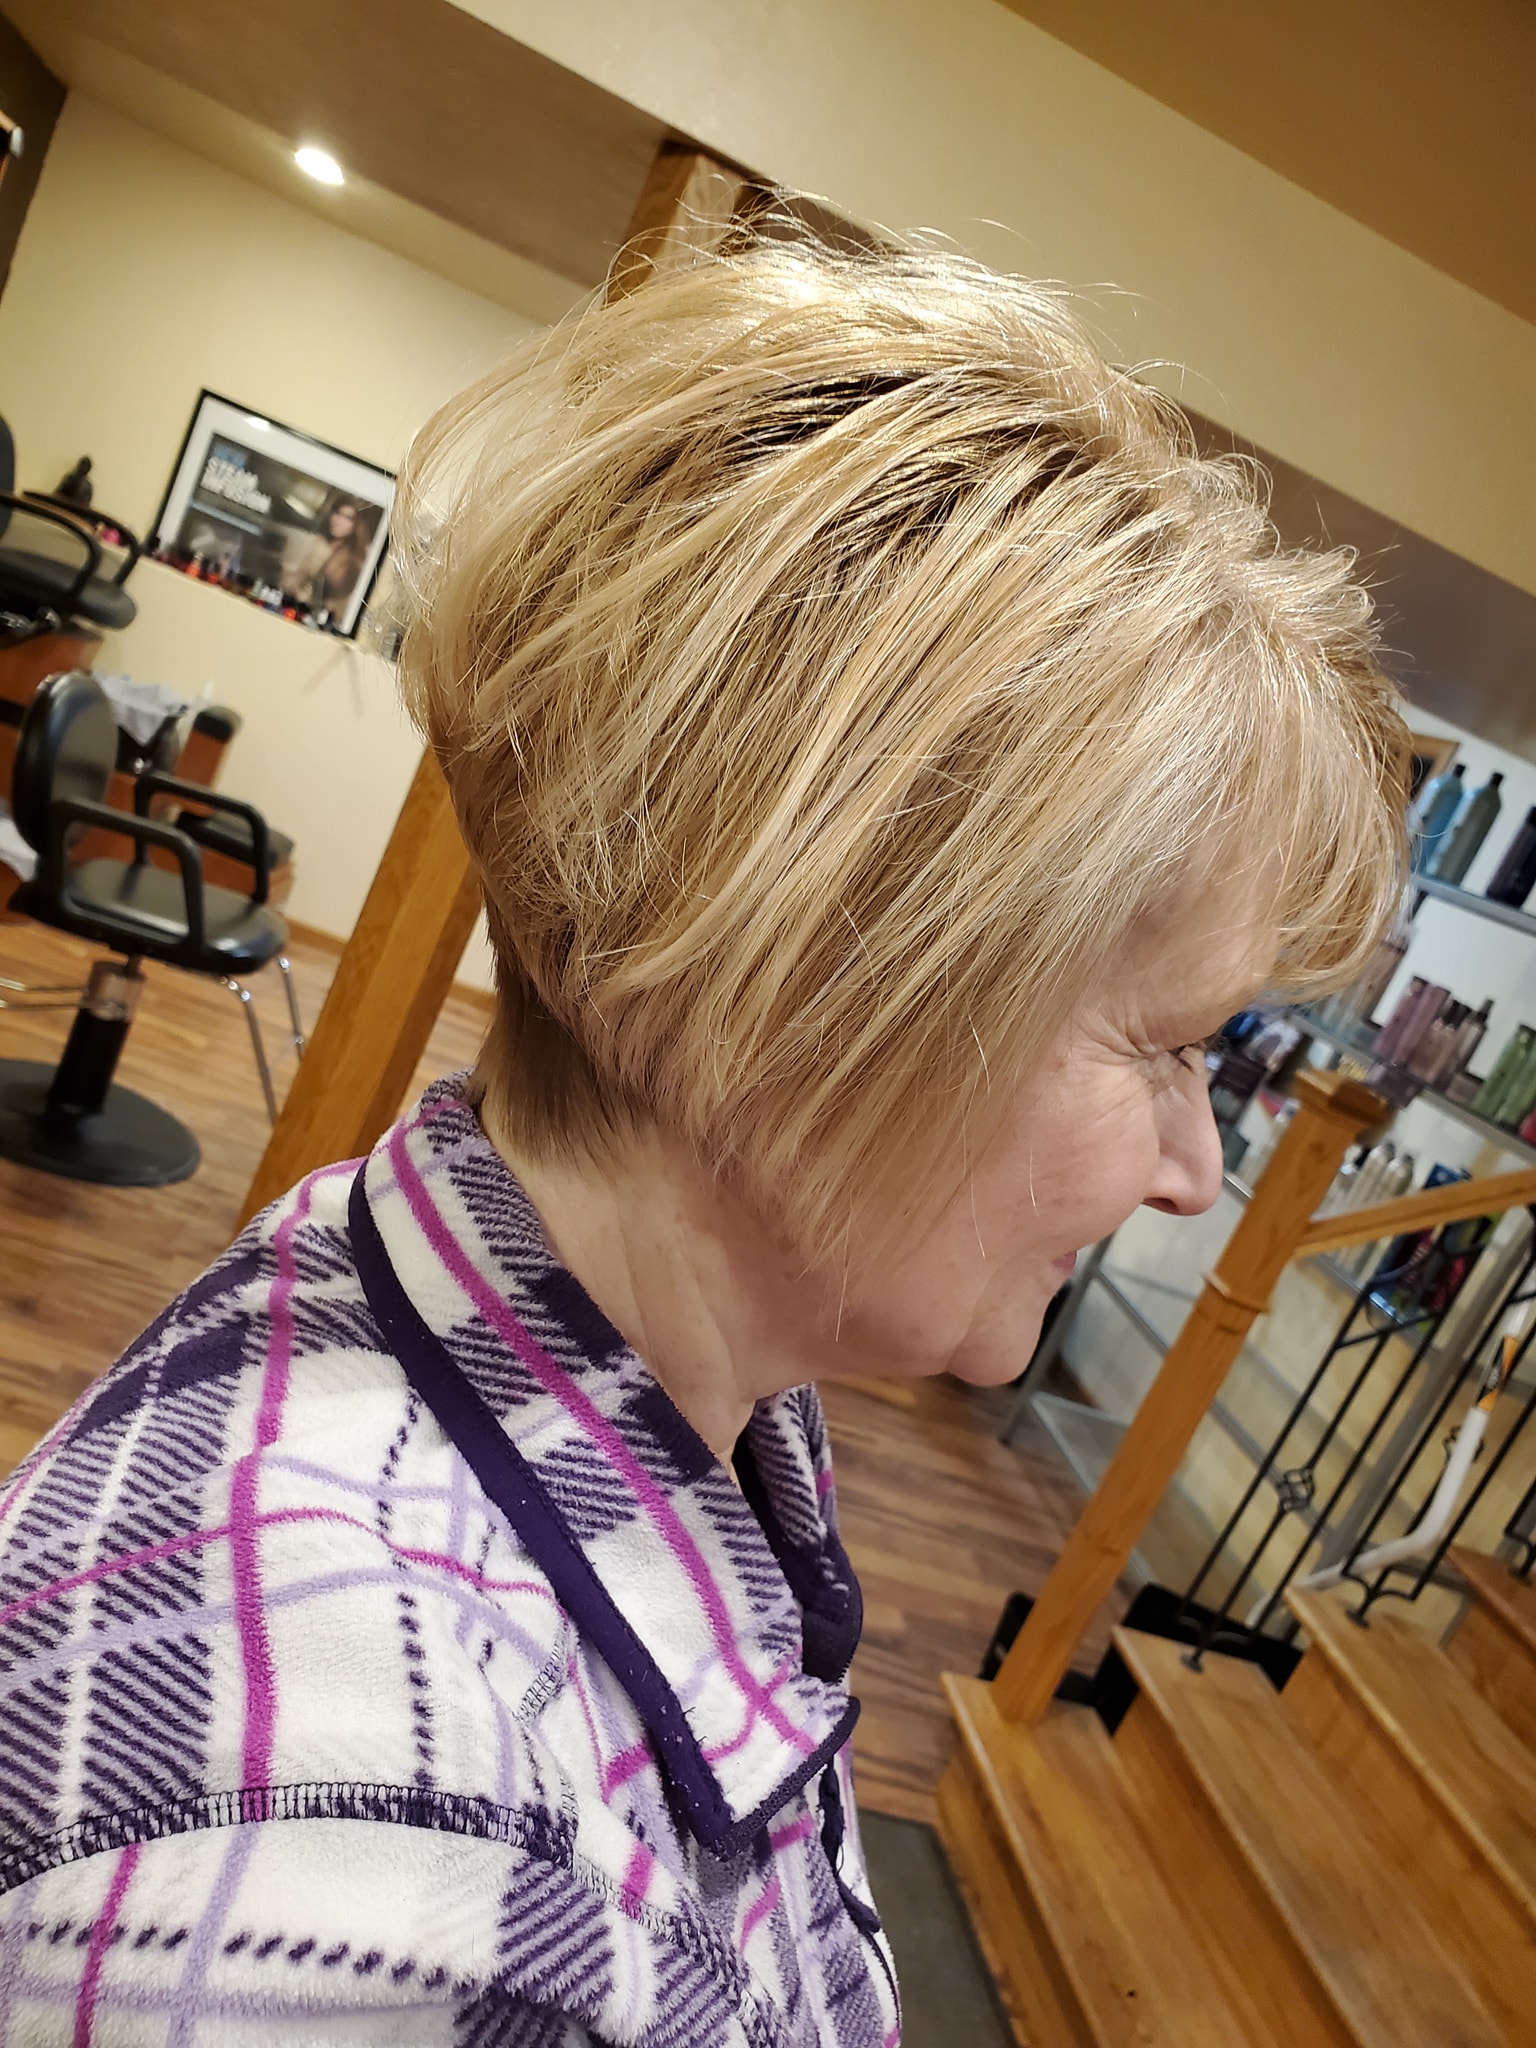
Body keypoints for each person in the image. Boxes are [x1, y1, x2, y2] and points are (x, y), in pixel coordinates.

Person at [0, 243, 1406, 2045]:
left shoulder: (677, 1367)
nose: (1191, 1170)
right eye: (1164, 1047)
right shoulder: (378, 1896)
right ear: (785, 987)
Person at [280, 492, 374, 620]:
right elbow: (294, 579)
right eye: (337, 513)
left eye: (348, 518)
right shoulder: (317, 543)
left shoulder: (357, 559)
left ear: (357, 524)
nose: (338, 521)